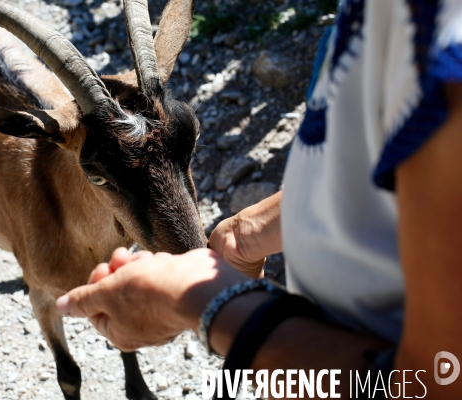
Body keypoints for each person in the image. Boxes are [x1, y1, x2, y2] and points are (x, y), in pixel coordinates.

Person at [57, 0, 462, 397]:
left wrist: (203, 303)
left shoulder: (445, 40)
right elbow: (389, 158)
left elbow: (437, 382)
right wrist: (251, 231)